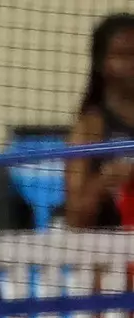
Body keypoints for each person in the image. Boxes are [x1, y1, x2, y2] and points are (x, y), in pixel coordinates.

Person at [65, 13, 134, 229]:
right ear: (101, 63)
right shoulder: (89, 127)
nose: (132, 63)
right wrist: (104, 181)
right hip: (104, 245)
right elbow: (74, 217)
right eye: (123, 55)